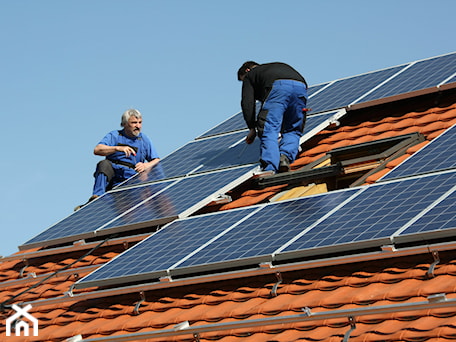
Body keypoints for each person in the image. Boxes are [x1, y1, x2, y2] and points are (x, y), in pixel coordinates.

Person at [75, 109, 160, 210]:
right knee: (104, 164)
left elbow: (156, 160)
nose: (138, 126)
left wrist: (145, 165)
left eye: (140, 123)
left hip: (131, 177)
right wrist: (117, 148)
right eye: (134, 123)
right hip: (113, 173)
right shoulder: (114, 135)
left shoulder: (143, 139)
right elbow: (97, 149)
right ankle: (97, 197)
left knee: (132, 203)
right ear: (124, 124)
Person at [237, 61, 308, 173]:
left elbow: (247, 102)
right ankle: (285, 156)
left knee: (268, 128)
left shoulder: (250, 75)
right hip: (301, 87)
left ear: (247, 70)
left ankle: (270, 167)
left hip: (278, 88)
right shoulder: (275, 68)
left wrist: (251, 127)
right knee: (293, 129)